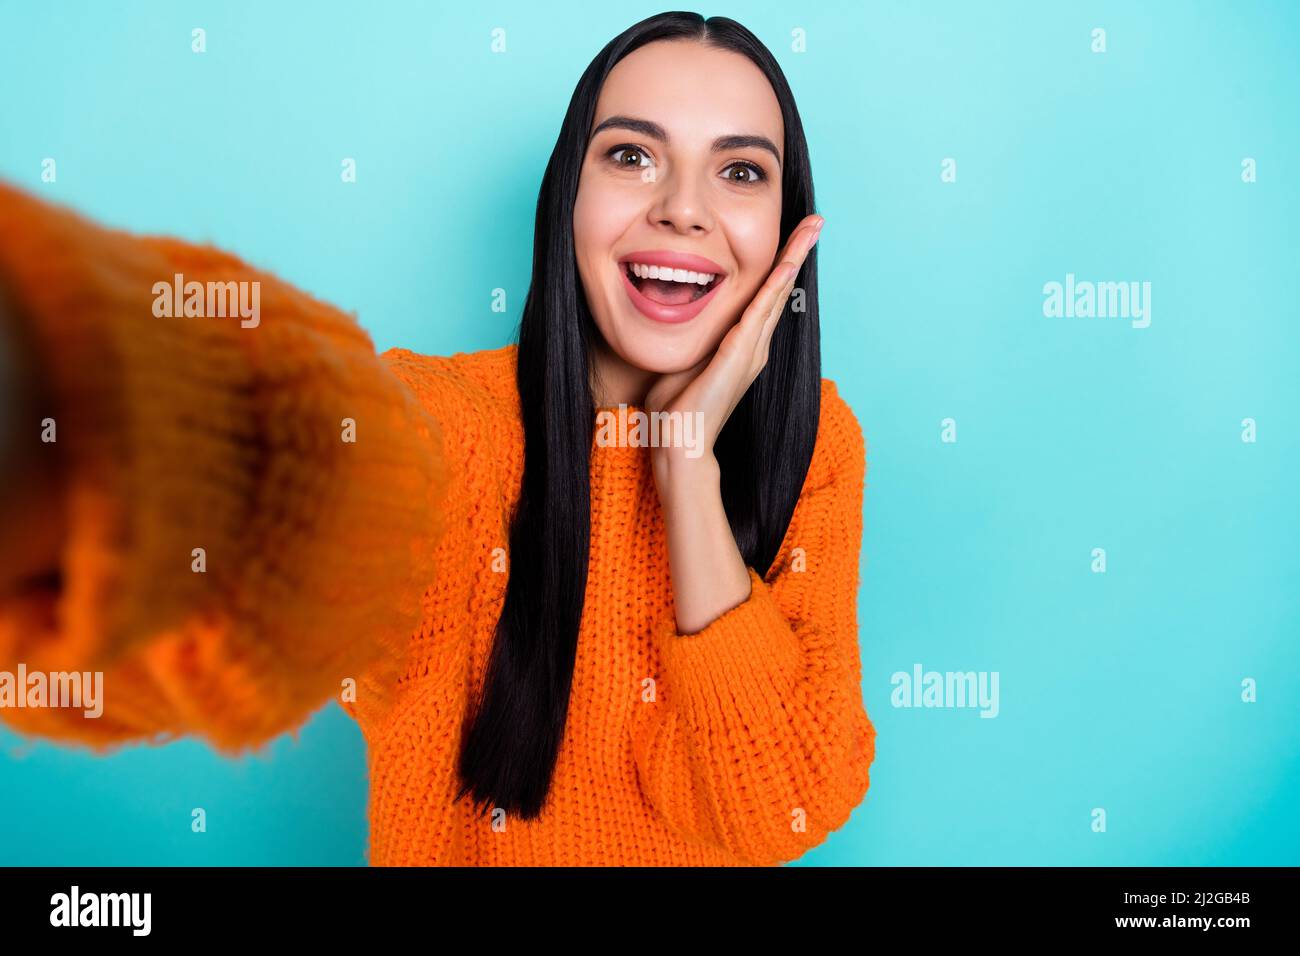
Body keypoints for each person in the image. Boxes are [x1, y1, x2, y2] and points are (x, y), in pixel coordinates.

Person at [0, 11, 875, 866]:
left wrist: (687, 466)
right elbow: (259, 475)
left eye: (741, 172)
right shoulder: (447, 426)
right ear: (567, 197)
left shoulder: (815, 446)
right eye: (632, 155)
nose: (683, 210)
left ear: (789, 227)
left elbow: (775, 806)